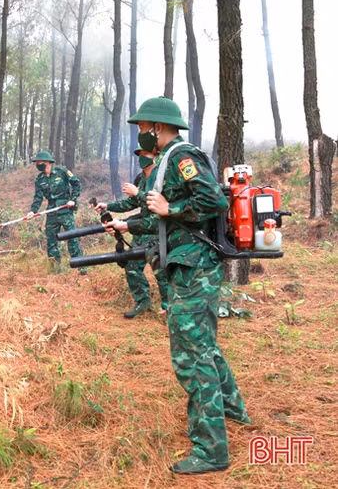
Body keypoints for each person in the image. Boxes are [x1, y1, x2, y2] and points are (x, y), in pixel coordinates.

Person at [104, 96, 250, 474]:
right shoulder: (164, 164)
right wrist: (126, 225)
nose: (140, 135)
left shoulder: (183, 157)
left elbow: (212, 201)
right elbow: (158, 219)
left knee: (192, 357)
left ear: (158, 127)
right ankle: (233, 409)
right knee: (204, 346)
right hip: (185, 267)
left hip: (194, 268)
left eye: (142, 129)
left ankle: (211, 451)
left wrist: (173, 210)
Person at [95, 147, 169, 318]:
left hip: (159, 229)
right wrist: (108, 206)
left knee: (161, 270)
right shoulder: (141, 178)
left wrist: (138, 193)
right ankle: (142, 302)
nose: (142, 158)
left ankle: (169, 308)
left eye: (145, 154)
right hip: (141, 229)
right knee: (132, 266)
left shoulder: (163, 176)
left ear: (156, 156)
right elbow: (130, 203)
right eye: (140, 155)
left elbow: (159, 204)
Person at [25, 151, 84, 273]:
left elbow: (76, 184)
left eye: (38, 162)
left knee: (72, 238)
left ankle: (81, 266)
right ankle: (55, 269)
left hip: (65, 209)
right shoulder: (39, 179)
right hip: (51, 211)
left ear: (46, 162)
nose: (37, 164)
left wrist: (73, 200)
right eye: (36, 163)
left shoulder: (61, 172)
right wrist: (32, 211)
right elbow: (38, 197)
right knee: (51, 240)